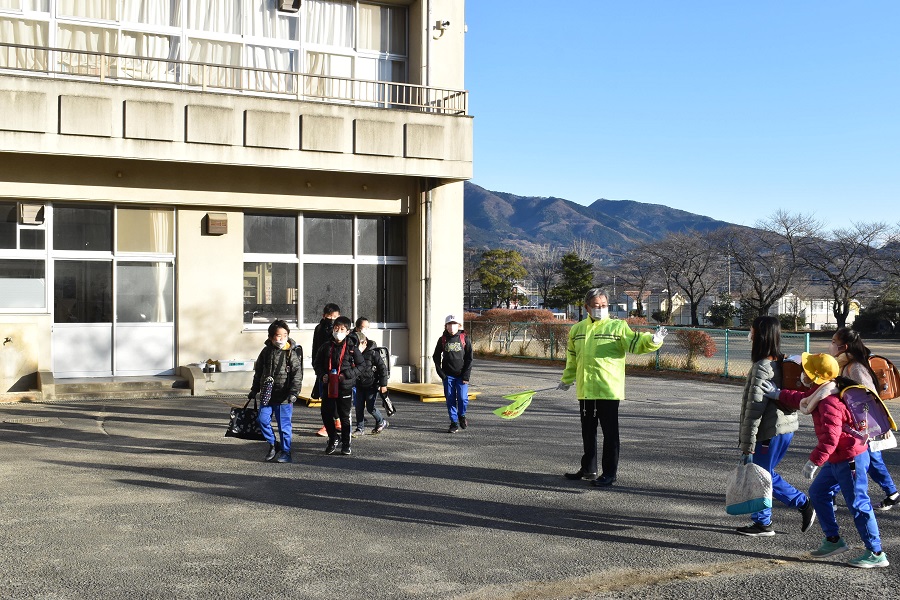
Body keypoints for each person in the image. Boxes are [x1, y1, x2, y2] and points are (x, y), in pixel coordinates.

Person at [766, 353, 889, 568]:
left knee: (859, 505)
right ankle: (833, 540)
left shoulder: (829, 402)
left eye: (806, 370)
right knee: (818, 493)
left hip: (850, 459)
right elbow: (801, 398)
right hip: (839, 458)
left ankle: (876, 552)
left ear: (814, 376)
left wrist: (814, 461)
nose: (801, 374)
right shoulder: (821, 392)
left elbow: (831, 438)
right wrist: (778, 393)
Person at [558, 288, 667, 487]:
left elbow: (635, 343)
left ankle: (609, 473)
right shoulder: (577, 330)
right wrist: (567, 379)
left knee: (610, 433)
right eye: (596, 306)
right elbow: (572, 359)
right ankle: (588, 468)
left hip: (608, 389)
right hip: (585, 390)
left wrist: (653, 340)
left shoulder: (617, 327)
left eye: (604, 306)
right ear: (587, 307)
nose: (600, 309)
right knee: (588, 431)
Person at [736, 315, 814, 537]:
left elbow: (754, 409)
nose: (749, 334)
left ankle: (799, 505)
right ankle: (764, 520)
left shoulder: (763, 366)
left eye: (751, 330)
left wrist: (747, 443)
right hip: (783, 428)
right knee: (764, 474)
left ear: (760, 334)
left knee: (762, 475)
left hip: (769, 431)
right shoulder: (782, 360)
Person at [829, 327, 899, 511]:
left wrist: (880, 425)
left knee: (851, 461)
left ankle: (831, 495)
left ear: (844, 347)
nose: (831, 346)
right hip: (857, 425)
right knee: (871, 461)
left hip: (862, 425)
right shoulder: (844, 364)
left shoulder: (855, 367)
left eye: (833, 342)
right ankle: (892, 493)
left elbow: (870, 395)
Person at [248, 319, 302, 463]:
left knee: (284, 427)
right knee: (262, 420)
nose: (282, 338)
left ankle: (286, 451)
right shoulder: (266, 352)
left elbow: (297, 374)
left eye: (285, 334)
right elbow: (258, 372)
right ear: (271, 337)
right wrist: (254, 389)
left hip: (284, 397)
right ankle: (273, 444)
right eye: (278, 335)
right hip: (267, 394)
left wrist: (294, 393)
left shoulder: (291, 353)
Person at [314, 315, 364, 455]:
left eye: (342, 329)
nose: (338, 331)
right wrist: (322, 374)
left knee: (344, 415)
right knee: (326, 413)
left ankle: (346, 443)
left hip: (344, 386)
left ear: (348, 331)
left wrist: (346, 375)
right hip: (328, 385)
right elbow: (317, 363)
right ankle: (333, 438)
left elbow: (361, 365)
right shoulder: (325, 346)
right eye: (336, 328)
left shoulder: (352, 347)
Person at [433, 314, 473, 433]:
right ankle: (454, 422)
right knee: (450, 399)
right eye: (449, 325)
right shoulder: (443, 339)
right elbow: (435, 357)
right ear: (445, 326)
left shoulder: (464, 339)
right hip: (448, 376)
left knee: (462, 398)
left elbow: (469, 358)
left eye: (454, 324)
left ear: (459, 325)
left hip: (461, 375)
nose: (451, 327)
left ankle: (462, 415)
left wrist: (466, 375)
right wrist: (442, 374)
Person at [312, 303, 342, 437]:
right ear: (324, 316)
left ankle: (333, 423)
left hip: (336, 369)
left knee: (333, 397)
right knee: (325, 397)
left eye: (335, 317)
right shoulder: (319, 329)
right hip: (322, 368)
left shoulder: (340, 330)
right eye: (330, 317)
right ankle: (334, 422)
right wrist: (316, 367)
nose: (332, 319)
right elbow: (315, 348)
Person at [353, 332, 389, 435]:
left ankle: (381, 421)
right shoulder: (353, 354)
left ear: (364, 342)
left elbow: (383, 369)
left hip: (371, 385)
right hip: (359, 385)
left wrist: (383, 385)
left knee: (370, 408)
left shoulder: (373, 354)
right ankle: (360, 428)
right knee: (358, 407)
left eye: (357, 345)